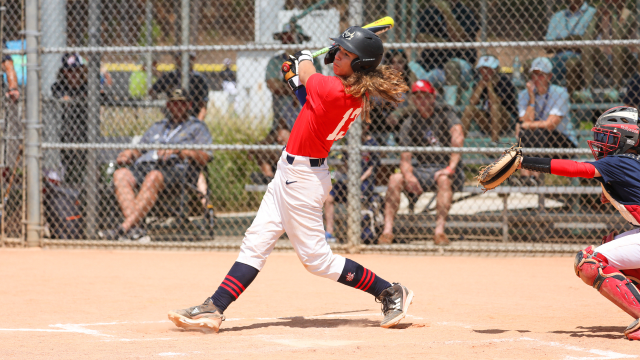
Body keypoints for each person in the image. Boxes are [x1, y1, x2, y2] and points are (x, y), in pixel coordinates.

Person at [168, 26, 413, 333]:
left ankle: (389, 291)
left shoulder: (333, 88)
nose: (337, 56)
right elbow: (310, 106)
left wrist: (304, 58)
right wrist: (294, 80)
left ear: (361, 65)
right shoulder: (344, 91)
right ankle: (213, 308)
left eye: (347, 55)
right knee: (255, 243)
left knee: (317, 261)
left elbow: (310, 76)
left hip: (303, 179)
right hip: (290, 172)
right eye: (338, 50)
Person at [516, 106, 640, 340]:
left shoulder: (617, 162)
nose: (601, 142)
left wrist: (524, 162)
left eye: (607, 137)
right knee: (611, 245)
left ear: (626, 139)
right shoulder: (630, 162)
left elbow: (576, 168)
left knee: (589, 261)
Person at [98, 88, 213, 241]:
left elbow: (205, 156)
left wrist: (179, 151)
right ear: (168, 105)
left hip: (176, 169)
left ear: (189, 105)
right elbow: (140, 149)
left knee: (153, 177)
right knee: (120, 174)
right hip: (147, 165)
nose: (177, 107)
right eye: (173, 104)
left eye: (181, 104)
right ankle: (135, 230)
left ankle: (123, 229)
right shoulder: (158, 126)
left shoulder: (197, 127)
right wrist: (129, 153)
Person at [380, 80, 465, 246]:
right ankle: (387, 231)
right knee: (394, 179)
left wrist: (450, 168)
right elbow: (405, 158)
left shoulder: (445, 112)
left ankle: (439, 232)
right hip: (423, 170)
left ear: (433, 98)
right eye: (417, 97)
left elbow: (458, 136)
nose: (421, 101)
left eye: (425, 97)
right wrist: (409, 176)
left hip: (446, 169)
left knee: (443, 180)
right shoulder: (409, 123)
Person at [516, 57, 576, 186]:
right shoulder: (524, 94)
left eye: (541, 75)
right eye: (534, 75)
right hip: (534, 140)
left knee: (538, 132)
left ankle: (533, 176)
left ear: (549, 77)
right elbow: (524, 123)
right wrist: (532, 99)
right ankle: (527, 178)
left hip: (562, 141)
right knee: (530, 134)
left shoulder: (560, 93)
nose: (536, 79)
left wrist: (528, 125)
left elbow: (551, 124)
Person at [414, 0, 478, 105]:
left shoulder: (465, 12)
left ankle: (451, 109)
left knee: (451, 66)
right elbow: (421, 37)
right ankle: (415, 111)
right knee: (412, 68)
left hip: (460, 63)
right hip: (433, 64)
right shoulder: (430, 11)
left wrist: (446, 11)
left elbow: (457, 37)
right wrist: (446, 43)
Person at [324, 125, 380, 243]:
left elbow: (372, 167)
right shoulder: (350, 142)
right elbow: (345, 164)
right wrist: (340, 174)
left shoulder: (372, 143)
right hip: (349, 181)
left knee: (356, 198)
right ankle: (329, 232)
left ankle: (354, 234)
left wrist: (358, 179)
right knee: (329, 197)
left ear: (367, 127)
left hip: (364, 182)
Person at [578, 0, 638, 100]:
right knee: (587, 46)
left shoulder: (630, 16)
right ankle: (587, 90)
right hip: (606, 61)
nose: (608, 1)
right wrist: (596, 17)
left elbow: (618, 38)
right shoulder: (602, 15)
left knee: (617, 47)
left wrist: (613, 15)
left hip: (627, 62)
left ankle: (616, 89)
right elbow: (587, 38)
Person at [544, 0, 597, 96]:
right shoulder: (557, 16)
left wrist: (560, 44)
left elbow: (589, 44)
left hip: (583, 58)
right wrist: (571, 40)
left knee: (571, 63)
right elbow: (548, 47)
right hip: (558, 59)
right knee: (539, 65)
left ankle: (572, 103)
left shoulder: (593, 13)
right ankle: (542, 100)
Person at [51, 53, 88, 184]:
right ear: (64, 72)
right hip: (63, 135)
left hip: (84, 136)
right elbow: (61, 97)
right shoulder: (58, 87)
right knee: (63, 173)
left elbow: (102, 95)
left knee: (81, 173)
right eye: (69, 70)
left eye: (76, 69)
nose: (73, 73)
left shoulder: (88, 87)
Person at [461, 55, 517, 142]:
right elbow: (472, 102)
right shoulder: (479, 82)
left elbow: (494, 102)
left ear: (496, 69)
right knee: (469, 108)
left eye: (488, 69)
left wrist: (489, 85)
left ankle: (494, 143)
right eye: (482, 69)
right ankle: (459, 140)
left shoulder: (504, 82)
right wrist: (481, 85)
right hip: (487, 119)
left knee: (494, 107)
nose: (485, 72)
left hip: (505, 120)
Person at [150, 52, 209, 120]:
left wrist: (198, 123)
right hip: (171, 118)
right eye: (181, 57)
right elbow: (152, 91)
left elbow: (203, 106)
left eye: (189, 58)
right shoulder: (169, 76)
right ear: (176, 59)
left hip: (192, 118)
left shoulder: (199, 79)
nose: (185, 60)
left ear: (194, 59)